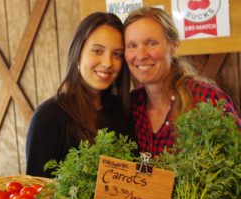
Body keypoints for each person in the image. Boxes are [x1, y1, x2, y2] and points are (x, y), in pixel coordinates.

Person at [123, 6, 241, 157]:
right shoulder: (132, 105)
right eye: (132, 46)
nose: (141, 55)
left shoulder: (206, 98)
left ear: (173, 46)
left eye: (151, 43)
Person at [26, 12, 132, 177]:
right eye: (97, 51)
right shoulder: (48, 117)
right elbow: (37, 193)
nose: (108, 63)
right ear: (77, 53)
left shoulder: (122, 111)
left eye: (117, 54)